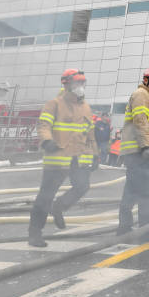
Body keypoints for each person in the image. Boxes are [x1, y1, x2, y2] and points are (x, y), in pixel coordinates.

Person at [28, 69, 96, 247]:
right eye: (77, 83)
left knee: (82, 186)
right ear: (66, 85)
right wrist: (47, 140)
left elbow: (90, 133)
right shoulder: (54, 104)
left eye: (82, 83)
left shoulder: (85, 107)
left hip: (78, 158)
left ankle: (59, 206)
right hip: (58, 157)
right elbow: (44, 125)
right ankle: (35, 233)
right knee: (46, 196)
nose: (80, 87)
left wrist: (95, 154)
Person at [116, 67, 149, 241]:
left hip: (138, 153)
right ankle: (146, 231)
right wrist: (145, 147)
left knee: (131, 190)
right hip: (139, 152)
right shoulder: (141, 95)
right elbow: (140, 120)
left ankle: (124, 228)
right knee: (145, 193)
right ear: (146, 80)